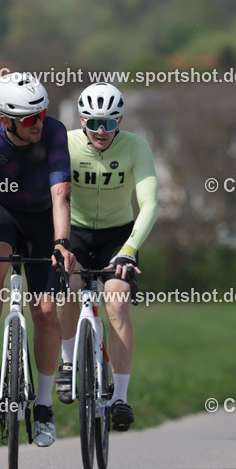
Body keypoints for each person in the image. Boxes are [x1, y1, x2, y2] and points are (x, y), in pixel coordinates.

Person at [0, 73, 77, 448]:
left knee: (44, 311)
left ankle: (43, 407)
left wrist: (61, 243)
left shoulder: (54, 132)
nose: (38, 123)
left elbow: (61, 193)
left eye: (41, 114)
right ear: (6, 120)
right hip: (0, 209)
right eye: (28, 119)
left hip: (42, 216)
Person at [54, 82, 158, 432]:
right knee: (67, 288)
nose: (101, 131)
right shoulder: (65, 143)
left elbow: (150, 204)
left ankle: (120, 398)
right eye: (95, 122)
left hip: (118, 235)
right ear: (82, 119)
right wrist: (59, 241)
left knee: (116, 303)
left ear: (121, 121)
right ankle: (68, 365)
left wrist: (129, 250)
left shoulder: (136, 146)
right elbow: (51, 196)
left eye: (110, 123)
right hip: (76, 233)